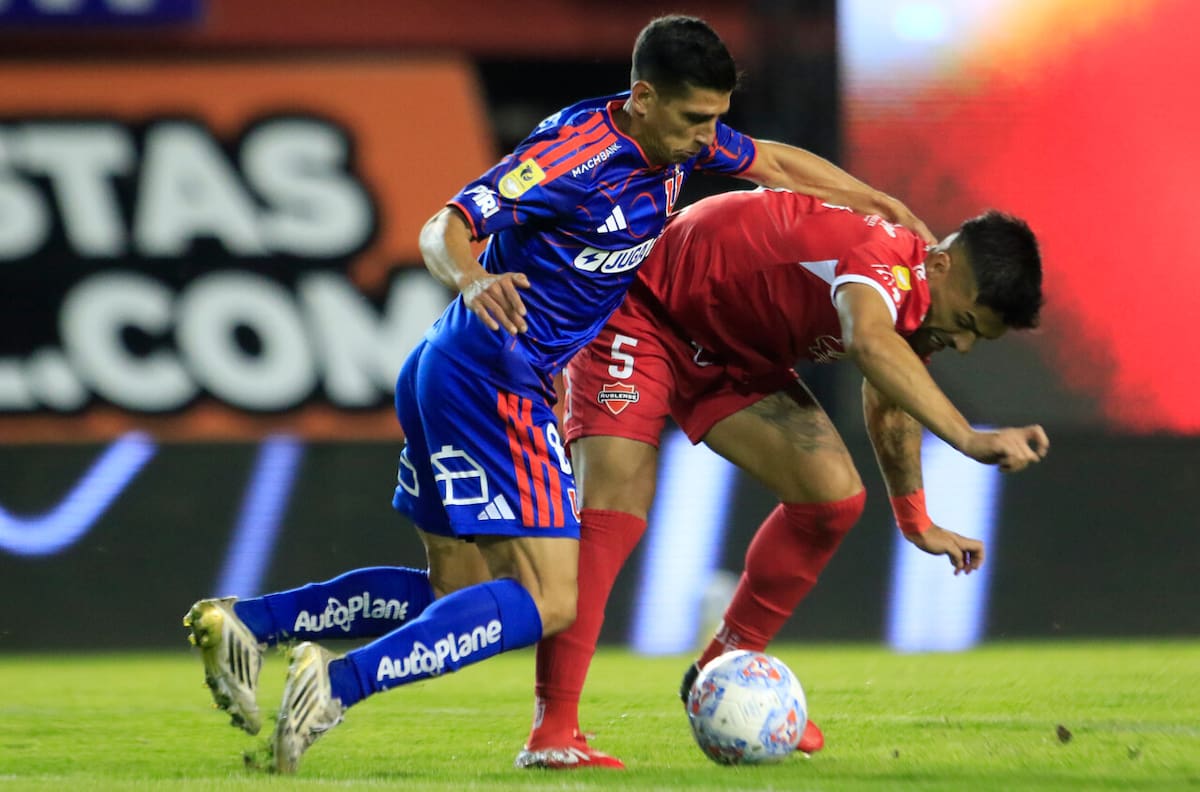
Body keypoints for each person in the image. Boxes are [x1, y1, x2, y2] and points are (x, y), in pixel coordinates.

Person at [181, 16, 932, 774]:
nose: (709, 138)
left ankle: (250, 622)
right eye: (696, 119)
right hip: (495, 378)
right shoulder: (574, 155)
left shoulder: (678, 140)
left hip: (447, 368)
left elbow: (771, 162)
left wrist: (877, 202)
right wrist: (473, 278)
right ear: (643, 97)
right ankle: (337, 684)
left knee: (461, 587)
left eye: (717, 118)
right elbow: (445, 224)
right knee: (549, 601)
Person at [515, 186, 1047, 769]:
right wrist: (969, 438)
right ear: (940, 264)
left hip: (729, 351)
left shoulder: (919, 300)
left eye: (978, 337)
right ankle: (553, 730)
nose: (964, 344)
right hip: (644, 306)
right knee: (616, 506)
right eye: (966, 323)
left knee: (832, 499)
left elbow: (891, 401)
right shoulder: (880, 259)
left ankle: (721, 671)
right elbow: (869, 344)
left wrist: (914, 518)